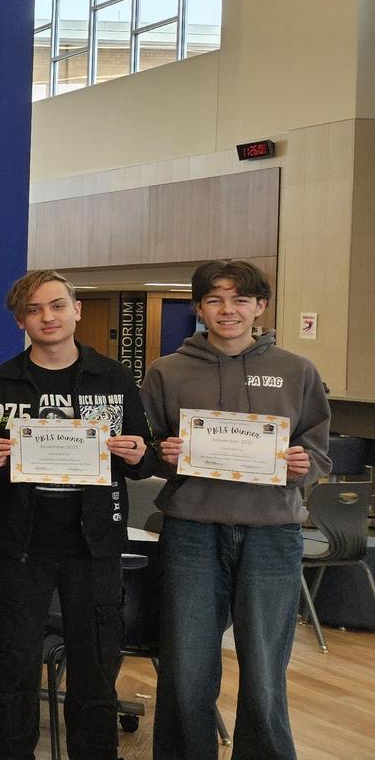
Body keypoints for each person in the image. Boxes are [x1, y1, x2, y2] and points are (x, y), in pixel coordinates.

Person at [143, 260, 329, 760]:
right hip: (191, 531)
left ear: (260, 307)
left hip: (272, 534)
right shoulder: (166, 371)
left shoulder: (297, 371)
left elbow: (319, 454)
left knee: (266, 669)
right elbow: (150, 444)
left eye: (240, 300)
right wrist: (164, 452)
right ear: (199, 308)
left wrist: (301, 465)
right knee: (186, 666)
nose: (228, 310)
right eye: (215, 300)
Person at [0, 271, 153, 760]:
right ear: (20, 321)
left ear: (77, 310)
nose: (46, 317)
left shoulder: (113, 377)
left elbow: (144, 459)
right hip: (21, 542)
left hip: (95, 544)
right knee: (12, 667)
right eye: (33, 310)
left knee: (95, 670)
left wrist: (138, 453)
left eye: (55, 306)